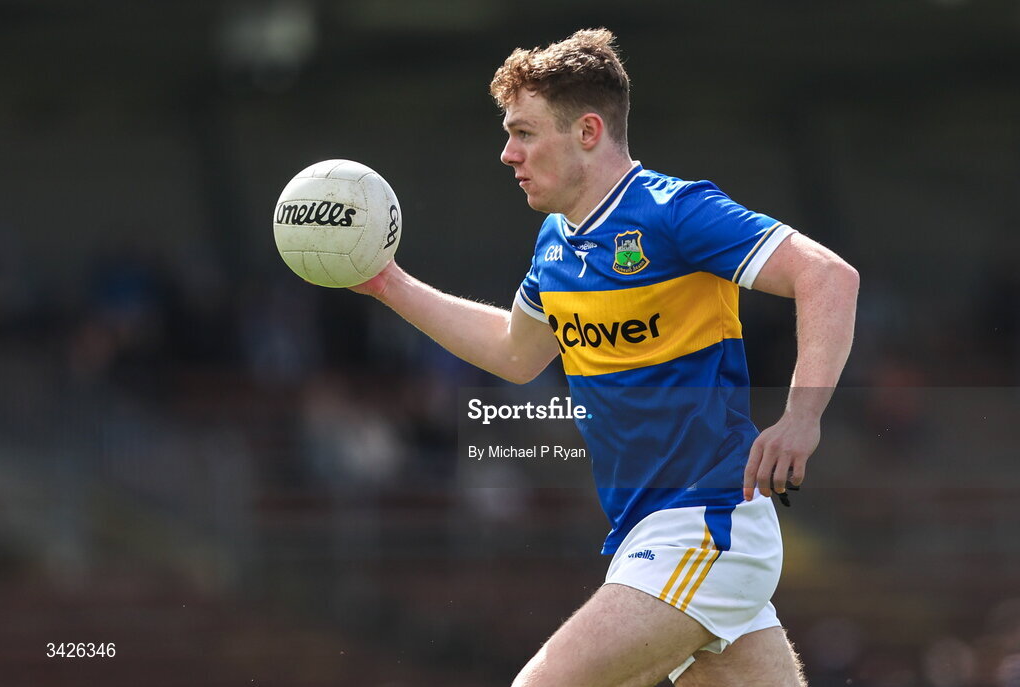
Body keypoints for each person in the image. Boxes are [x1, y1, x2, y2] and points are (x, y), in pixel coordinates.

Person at [351, 28, 859, 687]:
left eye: (525, 132)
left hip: (704, 525)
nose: (508, 153)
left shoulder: (676, 212)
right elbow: (515, 351)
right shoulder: (555, 242)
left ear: (588, 130)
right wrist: (387, 282)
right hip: (650, 532)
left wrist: (802, 415)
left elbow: (828, 276)